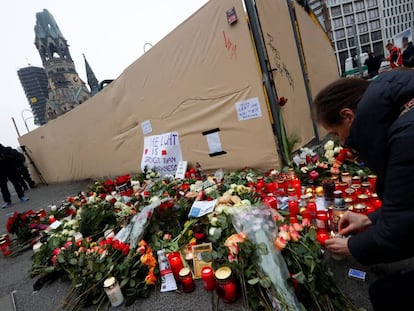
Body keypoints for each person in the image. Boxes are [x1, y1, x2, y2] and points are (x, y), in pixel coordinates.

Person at [312, 69, 414, 311]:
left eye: (337, 134)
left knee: (384, 294)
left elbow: (399, 233)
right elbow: (410, 202)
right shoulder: (404, 111)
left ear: (348, 115)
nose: (343, 143)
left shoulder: (406, 137)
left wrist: (351, 247)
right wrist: (369, 219)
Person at [0, 144, 30, 208]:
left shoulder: (7, 149)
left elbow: (13, 157)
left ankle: (21, 196)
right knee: (3, 187)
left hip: (10, 170)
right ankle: (7, 201)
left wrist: (4, 157)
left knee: (16, 183)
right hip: (1, 172)